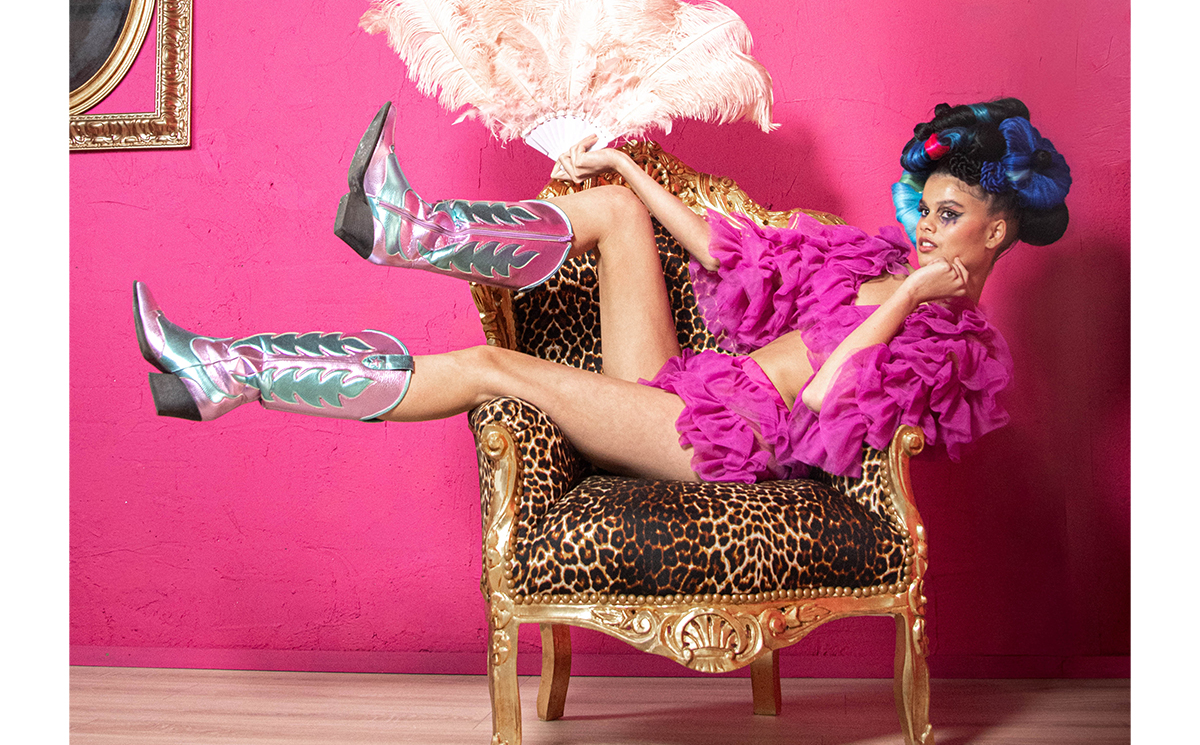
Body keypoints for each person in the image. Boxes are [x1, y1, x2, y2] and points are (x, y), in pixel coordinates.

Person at [133, 97, 1071, 482]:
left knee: (494, 364)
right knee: (617, 210)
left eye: (949, 216)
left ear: (996, 232)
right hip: (698, 388)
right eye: (926, 208)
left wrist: (906, 303)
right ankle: (407, 232)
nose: (924, 229)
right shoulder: (872, 263)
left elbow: (822, 407)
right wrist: (624, 165)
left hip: (725, 442)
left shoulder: (951, 349)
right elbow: (727, 249)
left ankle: (234, 373)